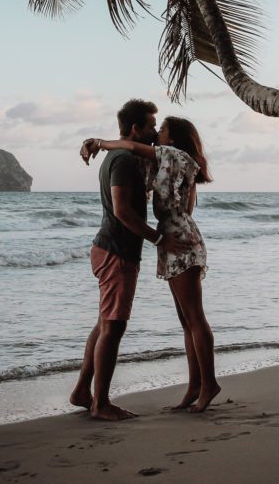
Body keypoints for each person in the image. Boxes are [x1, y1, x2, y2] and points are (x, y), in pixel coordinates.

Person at [81, 116, 220, 412]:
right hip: (177, 235)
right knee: (187, 321)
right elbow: (188, 206)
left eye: (163, 130)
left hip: (178, 240)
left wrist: (99, 143)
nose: (158, 133)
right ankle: (195, 385)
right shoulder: (176, 161)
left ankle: (209, 384)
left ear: (174, 138)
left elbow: (130, 144)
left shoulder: (173, 155)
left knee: (194, 317)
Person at [70, 99, 191, 421]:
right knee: (114, 326)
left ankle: (83, 390)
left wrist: (93, 141)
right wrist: (159, 239)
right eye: (152, 125)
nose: (155, 131)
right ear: (136, 128)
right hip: (116, 251)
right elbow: (122, 210)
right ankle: (101, 404)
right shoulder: (123, 160)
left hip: (112, 248)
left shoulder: (123, 154)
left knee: (104, 323)